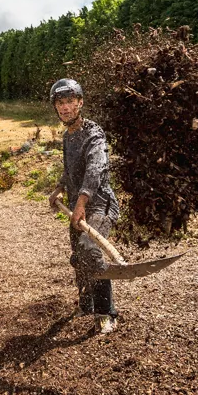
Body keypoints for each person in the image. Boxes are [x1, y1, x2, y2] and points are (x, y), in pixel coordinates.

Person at [48, 78, 120, 334]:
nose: (65, 107)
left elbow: (95, 170)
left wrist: (81, 203)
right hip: (76, 205)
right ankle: (87, 304)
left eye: (69, 101)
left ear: (80, 102)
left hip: (99, 205)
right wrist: (59, 187)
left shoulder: (93, 133)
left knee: (90, 251)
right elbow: (71, 171)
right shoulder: (68, 137)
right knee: (79, 258)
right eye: (60, 103)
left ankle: (106, 312)